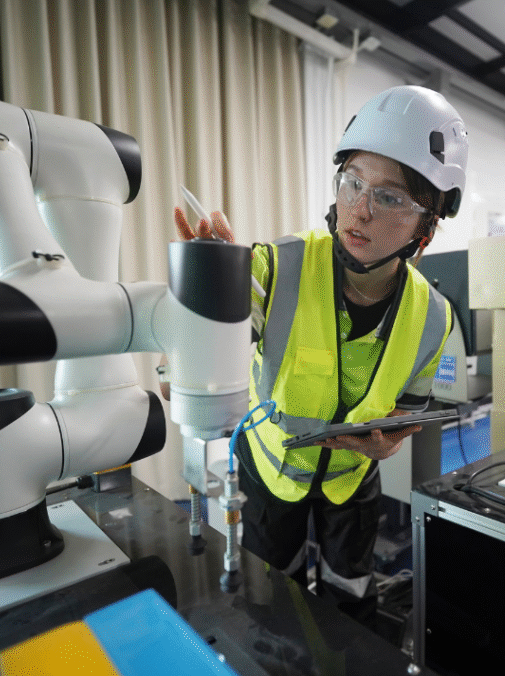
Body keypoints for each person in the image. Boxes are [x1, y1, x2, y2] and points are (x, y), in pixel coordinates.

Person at [175, 85, 469, 624]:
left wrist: (387, 443)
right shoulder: (275, 267)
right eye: (352, 182)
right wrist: (210, 281)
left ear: (427, 225)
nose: (358, 208)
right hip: (268, 473)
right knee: (268, 607)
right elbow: (213, 334)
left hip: (351, 482)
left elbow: (407, 409)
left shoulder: (434, 317)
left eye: (389, 197)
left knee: (349, 606)